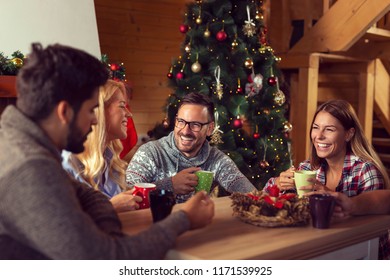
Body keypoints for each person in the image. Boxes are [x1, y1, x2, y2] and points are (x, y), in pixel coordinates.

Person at [0, 43, 214, 260]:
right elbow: (108, 260)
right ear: (64, 112)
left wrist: (105, 225)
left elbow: (90, 198)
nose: (95, 119)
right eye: (91, 110)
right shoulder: (30, 168)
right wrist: (184, 218)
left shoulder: (19, 144)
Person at [264, 99, 389, 259]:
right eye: (316, 128)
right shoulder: (308, 168)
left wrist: (329, 196)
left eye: (329, 129)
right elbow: (264, 199)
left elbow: (372, 235)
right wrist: (278, 184)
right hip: (319, 250)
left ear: (348, 134)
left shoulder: (365, 172)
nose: (319, 136)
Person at [126, 92, 256, 203]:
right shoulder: (150, 152)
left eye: (195, 124)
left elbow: (251, 194)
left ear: (210, 129)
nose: (185, 131)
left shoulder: (217, 160)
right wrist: (170, 185)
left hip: (198, 228)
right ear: (176, 121)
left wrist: (273, 186)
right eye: (181, 122)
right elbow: (127, 195)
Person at [62, 79, 141, 213]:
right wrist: (111, 207)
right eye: (122, 106)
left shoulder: (111, 160)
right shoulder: (68, 161)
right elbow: (65, 223)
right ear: (99, 110)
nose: (129, 114)